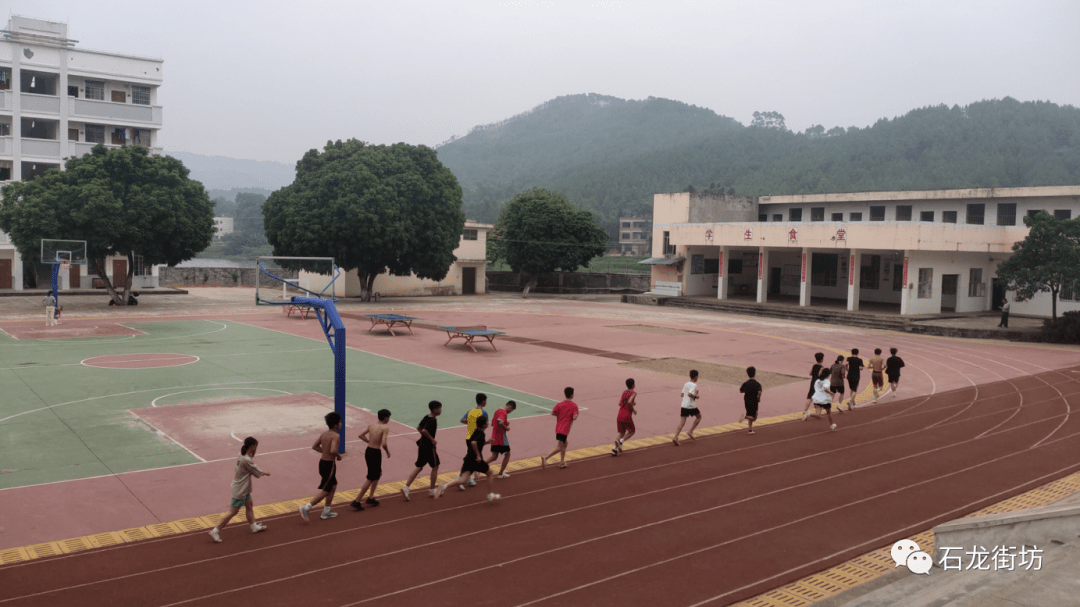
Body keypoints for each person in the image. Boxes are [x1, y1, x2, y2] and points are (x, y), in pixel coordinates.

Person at [209, 436, 270, 543]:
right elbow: (255, 470)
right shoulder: (246, 460)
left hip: (244, 488)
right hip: (240, 489)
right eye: (256, 446)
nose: (256, 448)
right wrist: (265, 473)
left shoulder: (242, 454)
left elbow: (252, 458)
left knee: (249, 504)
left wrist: (254, 449)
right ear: (252, 446)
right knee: (233, 512)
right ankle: (216, 530)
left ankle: (253, 526)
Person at [435, 416, 499, 501]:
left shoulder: (476, 431)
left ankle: (444, 486)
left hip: (468, 459)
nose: (488, 423)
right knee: (490, 473)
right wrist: (478, 455)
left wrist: (487, 442)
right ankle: (491, 495)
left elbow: (477, 443)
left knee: (463, 480)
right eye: (487, 422)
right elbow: (473, 443)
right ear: (484, 425)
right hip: (475, 460)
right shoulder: (481, 434)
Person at [299, 412, 342, 522]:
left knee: (333, 485)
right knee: (326, 490)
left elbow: (315, 446)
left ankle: (326, 511)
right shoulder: (336, 436)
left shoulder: (324, 434)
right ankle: (306, 507)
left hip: (322, 463)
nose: (341, 424)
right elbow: (333, 450)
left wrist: (324, 452)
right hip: (329, 465)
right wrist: (338, 456)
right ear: (335, 425)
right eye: (340, 422)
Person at [352, 409, 392, 511]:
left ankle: (370, 497)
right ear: (386, 418)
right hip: (375, 453)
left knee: (378, 473)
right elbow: (384, 443)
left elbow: (361, 435)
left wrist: (369, 442)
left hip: (368, 451)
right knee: (371, 477)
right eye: (389, 417)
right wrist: (387, 451)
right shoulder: (385, 428)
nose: (389, 419)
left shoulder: (372, 425)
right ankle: (357, 500)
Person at [402, 401, 442, 501]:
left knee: (419, 467)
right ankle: (432, 490)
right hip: (429, 447)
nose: (441, 410)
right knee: (435, 467)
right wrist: (432, 439)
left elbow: (419, 428)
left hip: (422, 445)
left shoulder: (426, 417)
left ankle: (406, 487)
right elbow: (424, 430)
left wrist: (424, 437)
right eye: (440, 408)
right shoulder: (433, 420)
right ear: (435, 409)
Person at [542, 387, 579, 468]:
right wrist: (572, 418)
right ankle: (547, 458)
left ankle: (561, 462)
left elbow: (552, 413)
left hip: (558, 428)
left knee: (564, 444)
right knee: (561, 447)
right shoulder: (574, 406)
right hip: (565, 429)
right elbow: (575, 417)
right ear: (572, 395)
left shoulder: (559, 404)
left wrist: (559, 416)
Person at [459, 393, 489, 487]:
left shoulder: (470, 411)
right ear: (483, 401)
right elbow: (484, 425)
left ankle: (467, 477)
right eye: (485, 400)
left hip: (468, 437)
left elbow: (462, 420)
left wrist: (471, 422)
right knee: (472, 458)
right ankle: (460, 479)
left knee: (470, 457)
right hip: (476, 438)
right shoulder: (483, 413)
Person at [486, 400, 516, 478]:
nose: (510, 412)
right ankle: (500, 473)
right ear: (510, 407)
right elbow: (500, 421)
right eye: (511, 410)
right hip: (501, 438)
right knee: (507, 455)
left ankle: (477, 467)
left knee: (494, 456)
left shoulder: (497, 411)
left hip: (494, 436)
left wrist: (505, 423)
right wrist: (506, 427)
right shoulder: (504, 412)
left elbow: (493, 424)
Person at [673, 370, 701, 445]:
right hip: (690, 406)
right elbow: (689, 394)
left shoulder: (686, 384)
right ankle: (690, 431)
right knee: (699, 417)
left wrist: (693, 393)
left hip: (684, 405)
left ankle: (676, 437)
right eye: (697, 376)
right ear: (695, 377)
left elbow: (682, 394)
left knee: (682, 423)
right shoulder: (694, 385)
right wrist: (696, 396)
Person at [612, 379, 637, 456]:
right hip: (627, 416)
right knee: (632, 431)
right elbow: (629, 402)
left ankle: (614, 449)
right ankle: (621, 441)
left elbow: (619, 403)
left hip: (619, 414)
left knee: (622, 432)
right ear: (633, 385)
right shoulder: (633, 393)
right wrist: (633, 409)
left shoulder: (624, 392)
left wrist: (631, 403)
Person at [738, 367, 762, 435]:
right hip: (754, 401)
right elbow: (759, 392)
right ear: (755, 373)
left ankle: (750, 430)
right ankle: (744, 417)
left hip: (746, 400)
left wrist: (747, 390)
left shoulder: (746, 383)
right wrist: (759, 398)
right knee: (754, 418)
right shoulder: (757, 384)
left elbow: (741, 391)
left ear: (748, 374)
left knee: (749, 414)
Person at [802, 353, 826, 420]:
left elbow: (810, 373)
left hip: (812, 383)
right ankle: (816, 413)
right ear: (822, 359)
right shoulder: (822, 368)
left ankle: (805, 411)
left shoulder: (814, 366)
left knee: (810, 398)